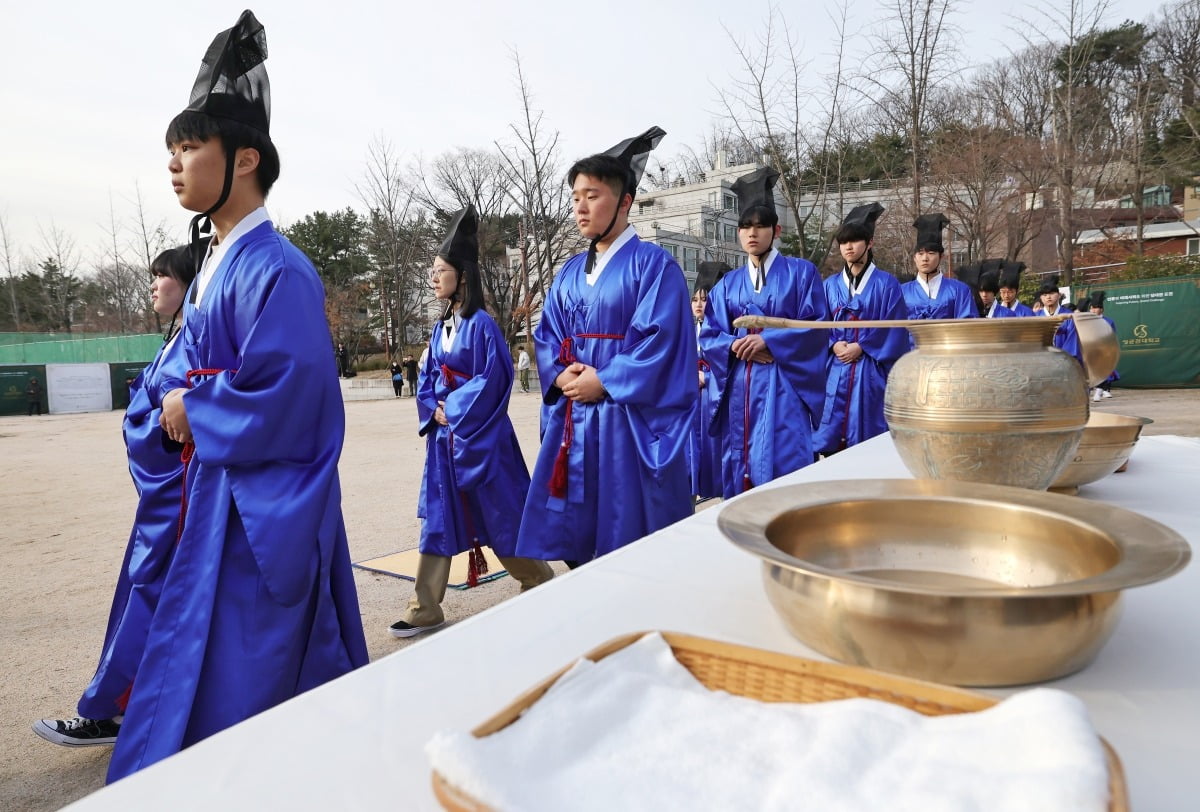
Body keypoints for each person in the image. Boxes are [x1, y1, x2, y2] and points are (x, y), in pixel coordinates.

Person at [119, 11, 366, 783]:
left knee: (256, 663)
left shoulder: (281, 269)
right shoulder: (219, 266)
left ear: (246, 158)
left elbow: (298, 397)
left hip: (258, 505)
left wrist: (201, 409)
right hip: (217, 489)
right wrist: (158, 408)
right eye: (172, 149)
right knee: (203, 648)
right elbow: (182, 367)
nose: (175, 164)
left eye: (191, 146)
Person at [32, 243, 201, 750]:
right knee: (142, 595)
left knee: (150, 597)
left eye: (162, 276)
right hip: (161, 494)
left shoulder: (196, 337)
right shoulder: (176, 338)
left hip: (177, 492)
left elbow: (177, 418)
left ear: (188, 282)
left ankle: (113, 711)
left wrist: (148, 420)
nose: (154, 285)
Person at [515, 126, 696, 567]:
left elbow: (664, 343)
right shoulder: (569, 271)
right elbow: (548, 334)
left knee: (628, 536)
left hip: (624, 419)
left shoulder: (655, 267)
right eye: (575, 196)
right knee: (577, 534)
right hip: (575, 414)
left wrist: (606, 380)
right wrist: (560, 373)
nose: (580, 206)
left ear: (625, 202)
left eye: (592, 195)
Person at [390, 206, 553, 638]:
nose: (433, 277)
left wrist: (453, 409)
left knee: (499, 513)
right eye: (432, 270)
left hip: (481, 439)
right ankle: (425, 606)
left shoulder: (482, 326)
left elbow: (493, 378)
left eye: (440, 270)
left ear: (462, 275)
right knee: (438, 519)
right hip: (445, 440)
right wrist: (434, 409)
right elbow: (426, 379)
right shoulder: (439, 327)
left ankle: (537, 579)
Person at [700, 167, 829, 497]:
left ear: (777, 229)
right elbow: (710, 335)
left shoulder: (802, 274)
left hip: (783, 383)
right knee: (741, 468)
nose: (752, 233)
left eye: (760, 225)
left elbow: (815, 327)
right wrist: (735, 346)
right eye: (745, 226)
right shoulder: (727, 285)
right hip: (740, 387)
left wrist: (768, 341)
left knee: (785, 462)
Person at [813, 203, 909, 456]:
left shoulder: (888, 285)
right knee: (832, 439)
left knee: (869, 440)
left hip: (870, 371)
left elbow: (896, 328)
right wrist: (833, 343)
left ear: (870, 243)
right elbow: (818, 324)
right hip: (835, 368)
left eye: (855, 241)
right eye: (843, 242)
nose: (848, 247)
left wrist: (862, 345)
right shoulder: (829, 285)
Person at [689, 261, 729, 500]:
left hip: (715, 397)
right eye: (695, 299)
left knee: (717, 451)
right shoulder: (688, 329)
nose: (698, 304)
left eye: (704, 299)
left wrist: (708, 377)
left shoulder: (724, 331)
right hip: (694, 398)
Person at [900, 214, 976, 322]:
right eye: (920, 253)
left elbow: (968, 327)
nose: (925, 258)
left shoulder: (959, 290)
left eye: (931, 253)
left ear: (941, 256)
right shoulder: (902, 292)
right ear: (914, 258)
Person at [1089, 291, 1119, 401]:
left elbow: (1112, 336)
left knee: (1104, 370)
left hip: (1104, 349)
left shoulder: (1109, 321)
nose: (1093, 310)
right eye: (1092, 308)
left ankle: (1100, 391)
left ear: (1101, 309)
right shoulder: (1087, 321)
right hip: (1090, 349)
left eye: (1096, 308)